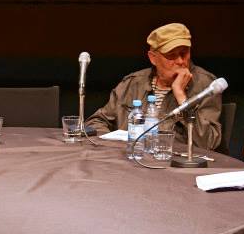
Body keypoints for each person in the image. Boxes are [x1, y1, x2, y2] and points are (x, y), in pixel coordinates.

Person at [84, 22, 222, 149]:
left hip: (176, 165)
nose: (180, 61)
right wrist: (113, 145)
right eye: (171, 56)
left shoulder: (206, 86)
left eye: (184, 53)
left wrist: (181, 96)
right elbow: (96, 122)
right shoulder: (133, 83)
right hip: (130, 159)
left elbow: (208, 143)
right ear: (153, 58)